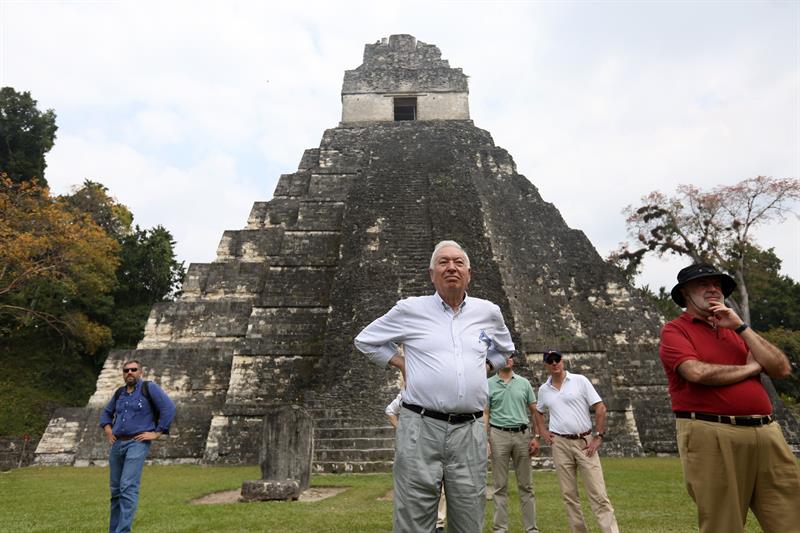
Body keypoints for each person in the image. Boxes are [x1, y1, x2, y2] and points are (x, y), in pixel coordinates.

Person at [355, 240, 514, 533]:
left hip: (469, 429)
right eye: (443, 262)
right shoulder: (410, 310)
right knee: (413, 520)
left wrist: (486, 367)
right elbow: (365, 340)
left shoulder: (488, 312)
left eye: (458, 262)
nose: (451, 267)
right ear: (432, 274)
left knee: (469, 520)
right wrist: (401, 362)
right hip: (420, 426)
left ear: (469, 274)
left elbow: (505, 349)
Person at [659, 263, 800, 533]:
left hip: (766, 432)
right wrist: (751, 368)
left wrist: (741, 327)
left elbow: (781, 368)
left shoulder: (737, 331)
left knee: (792, 518)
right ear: (685, 293)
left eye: (717, 284)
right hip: (712, 432)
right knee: (723, 524)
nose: (713, 288)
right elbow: (696, 372)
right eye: (703, 284)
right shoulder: (675, 331)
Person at [533, 350, 619, 533]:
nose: (555, 363)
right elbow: (538, 412)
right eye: (550, 361)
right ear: (546, 365)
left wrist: (598, 436)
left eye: (557, 359)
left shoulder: (580, 380)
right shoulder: (544, 390)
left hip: (584, 442)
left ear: (562, 361)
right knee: (569, 495)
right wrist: (543, 432)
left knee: (598, 493)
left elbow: (600, 407)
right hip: (560, 444)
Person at [99, 360, 176, 533]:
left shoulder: (149, 388)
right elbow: (106, 413)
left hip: (137, 442)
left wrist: (157, 433)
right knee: (116, 490)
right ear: (123, 373)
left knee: (127, 487)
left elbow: (169, 408)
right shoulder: (119, 393)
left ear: (140, 372)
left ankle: (123, 531)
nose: (130, 372)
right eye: (126, 370)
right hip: (117, 443)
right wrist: (108, 430)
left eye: (133, 369)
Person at [485, 355, 540, 533]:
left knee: (526, 485)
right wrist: (485, 439)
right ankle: (500, 529)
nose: (507, 359)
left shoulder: (524, 383)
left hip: (522, 436)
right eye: (503, 357)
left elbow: (535, 411)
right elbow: (485, 413)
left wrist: (536, 436)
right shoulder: (488, 384)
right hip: (498, 435)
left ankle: (531, 529)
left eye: (510, 356)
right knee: (499, 486)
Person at [386, 390, 447, 532]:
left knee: (441, 484)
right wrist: (402, 430)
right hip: (417, 444)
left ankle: (438, 522)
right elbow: (390, 410)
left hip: (437, 440)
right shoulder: (408, 393)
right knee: (419, 485)